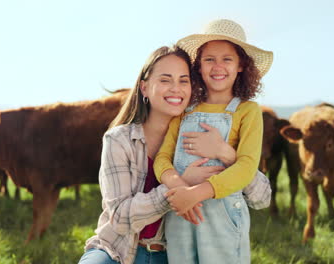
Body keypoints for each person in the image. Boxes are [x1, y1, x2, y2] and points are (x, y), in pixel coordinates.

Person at [78, 45, 238, 264]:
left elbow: (261, 196)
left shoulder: (202, 137)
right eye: (165, 80)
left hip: (174, 256)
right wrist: (179, 185)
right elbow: (119, 218)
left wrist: (227, 153)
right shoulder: (119, 140)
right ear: (144, 88)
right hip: (116, 250)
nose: (176, 89)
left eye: (183, 80)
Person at [153, 19, 273, 264]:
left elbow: (246, 166)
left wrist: (198, 192)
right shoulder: (184, 110)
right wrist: (180, 188)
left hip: (224, 215)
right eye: (209, 59)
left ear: (241, 65)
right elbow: (162, 159)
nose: (218, 66)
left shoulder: (247, 111)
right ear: (198, 66)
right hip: (182, 211)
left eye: (227, 59)